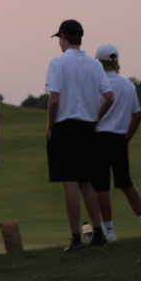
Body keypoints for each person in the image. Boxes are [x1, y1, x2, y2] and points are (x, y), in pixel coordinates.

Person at [45, 20, 115, 252]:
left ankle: (76, 237)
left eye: (59, 38)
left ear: (64, 36)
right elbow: (109, 97)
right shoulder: (95, 65)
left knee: (70, 181)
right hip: (87, 126)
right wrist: (95, 117)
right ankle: (98, 232)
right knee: (87, 181)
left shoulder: (58, 62)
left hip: (65, 125)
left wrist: (50, 125)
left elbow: (54, 99)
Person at [92, 45, 141, 242]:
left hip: (99, 138)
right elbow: (137, 115)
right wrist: (126, 138)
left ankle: (109, 231)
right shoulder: (128, 85)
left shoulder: (96, 85)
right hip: (119, 138)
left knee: (101, 187)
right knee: (126, 183)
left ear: (99, 63)